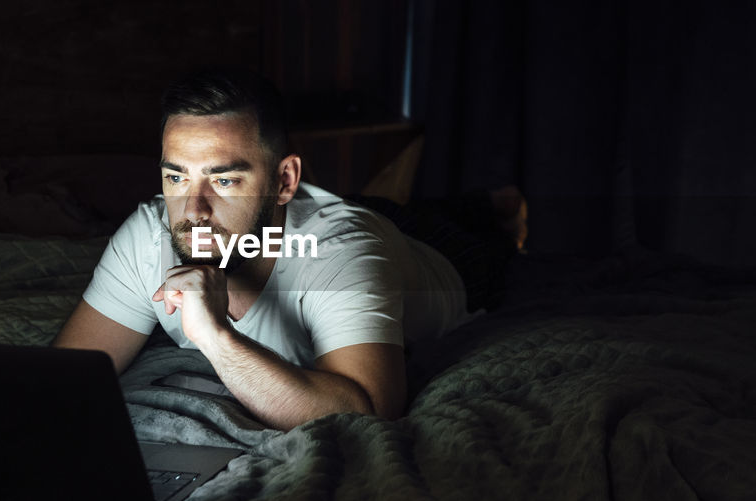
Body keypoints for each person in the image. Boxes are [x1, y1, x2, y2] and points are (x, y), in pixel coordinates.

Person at [54, 67, 521, 431]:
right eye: (176, 176)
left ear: (284, 180)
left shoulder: (345, 250)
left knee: (476, 236)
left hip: (440, 258)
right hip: (313, 217)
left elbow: (368, 412)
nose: (193, 209)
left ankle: (490, 205)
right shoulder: (150, 232)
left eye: (224, 179)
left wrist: (215, 337)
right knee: (377, 207)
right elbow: (63, 377)